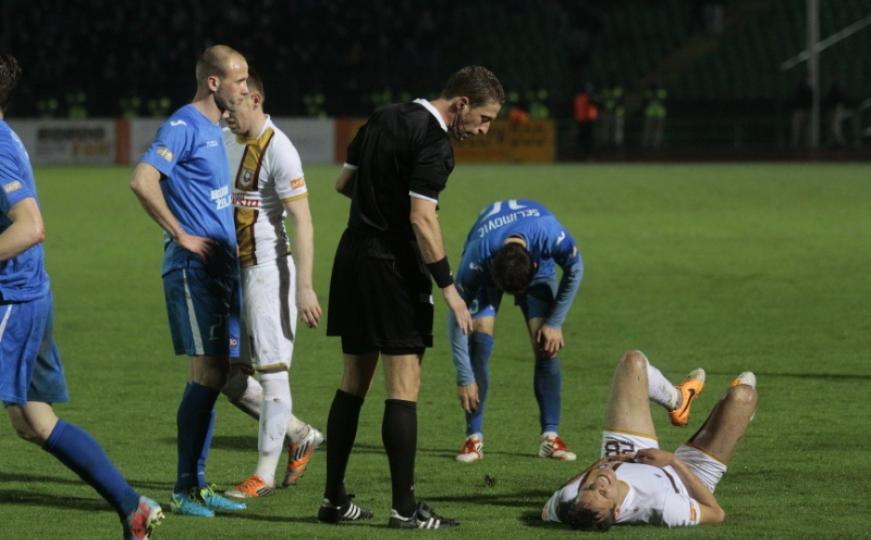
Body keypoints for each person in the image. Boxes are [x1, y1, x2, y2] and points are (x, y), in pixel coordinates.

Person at [320, 65, 504, 529]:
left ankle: (333, 499)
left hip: (352, 256)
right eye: (483, 119)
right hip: (394, 268)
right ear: (460, 104)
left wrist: (378, 207)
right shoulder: (435, 143)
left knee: (352, 382)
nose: (483, 130)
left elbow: (344, 184)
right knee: (403, 387)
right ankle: (404, 509)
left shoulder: (383, 116)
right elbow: (422, 218)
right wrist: (450, 288)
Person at [0, 52, 163, 540]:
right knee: (32, 422)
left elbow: (31, 227)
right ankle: (132, 507)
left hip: (12, 300)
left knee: (31, 420)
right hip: (25, 295)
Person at [129, 45, 249, 517]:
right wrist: (181, 234)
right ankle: (185, 488)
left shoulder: (215, 129)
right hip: (192, 269)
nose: (245, 88)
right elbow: (143, 180)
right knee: (208, 374)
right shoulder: (182, 125)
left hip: (220, 268)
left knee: (215, 374)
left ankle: (196, 483)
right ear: (214, 82)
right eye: (240, 80)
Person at [219, 68, 324, 498]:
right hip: (230, 275)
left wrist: (305, 287)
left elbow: (303, 221)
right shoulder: (225, 141)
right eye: (223, 108)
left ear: (256, 99)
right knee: (225, 375)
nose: (227, 115)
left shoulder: (280, 149)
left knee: (273, 373)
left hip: (268, 272)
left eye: (233, 107)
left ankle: (262, 476)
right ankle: (299, 433)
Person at [542, 350, 758, 530]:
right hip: (689, 479)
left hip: (630, 456)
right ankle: (740, 412)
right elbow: (717, 513)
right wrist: (673, 462)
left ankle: (679, 400)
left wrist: (602, 463)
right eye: (602, 493)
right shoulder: (663, 507)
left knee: (632, 362)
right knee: (743, 396)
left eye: (589, 488)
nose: (598, 483)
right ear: (617, 511)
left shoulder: (569, 501)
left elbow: (548, 509)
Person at [449, 199, 583, 464]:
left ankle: (551, 437)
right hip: (489, 263)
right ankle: (473, 438)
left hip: (537, 264)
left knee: (546, 344)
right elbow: (457, 317)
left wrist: (554, 323)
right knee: (478, 340)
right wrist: (464, 377)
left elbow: (576, 268)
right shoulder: (477, 257)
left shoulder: (549, 233)